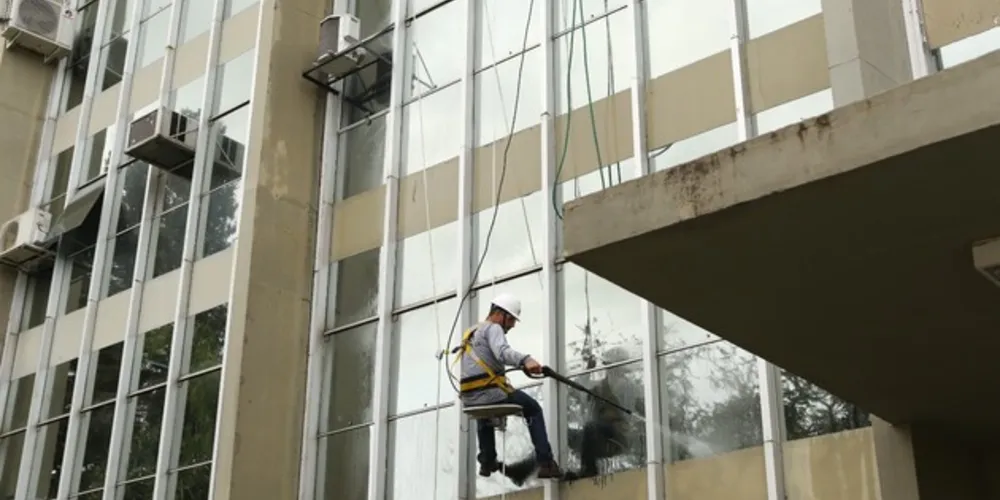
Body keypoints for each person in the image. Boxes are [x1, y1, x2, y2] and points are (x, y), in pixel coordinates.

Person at [456, 293, 563, 480]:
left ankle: (487, 460)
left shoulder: (472, 332)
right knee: (533, 408)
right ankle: (546, 462)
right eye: (511, 319)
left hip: (469, 397)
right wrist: (526, 360)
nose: (512, 325)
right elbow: (502, 353)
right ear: (499, 313)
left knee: (485, 412)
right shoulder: (493, 328)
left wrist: (522, 366)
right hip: (490, 392)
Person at [566, 346, 645, 480]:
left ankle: (588, 470)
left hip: (617, 435)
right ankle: (531, 469)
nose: (612, 369)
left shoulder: (630, 388)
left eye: (615, 366)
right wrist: (588, 369)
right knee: (563, 433)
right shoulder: (599, 387)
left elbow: (645, 409)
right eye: (610, 366)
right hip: (597, 435)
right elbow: (578, 388)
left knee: (591, 426)